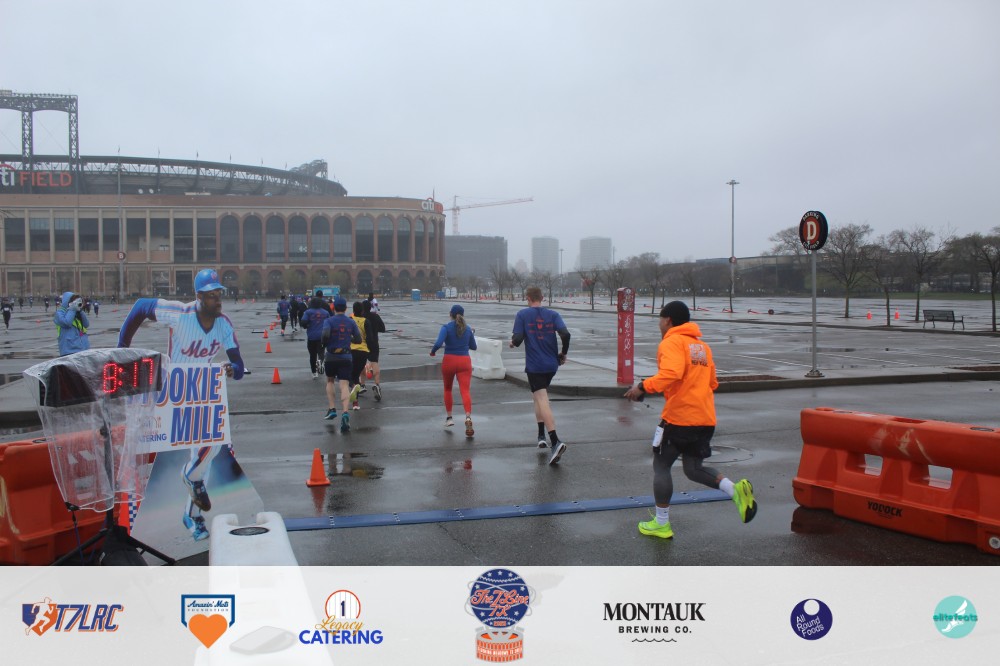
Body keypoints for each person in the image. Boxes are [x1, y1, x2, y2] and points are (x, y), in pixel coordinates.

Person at [118, 268, 247, 542]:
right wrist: (122, 346)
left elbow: (239, 364)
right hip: (173, 390)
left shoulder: (223, 324)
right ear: (198, 296)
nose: (217, 299)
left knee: (210, 450)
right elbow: (141, 307)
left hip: (201, 391)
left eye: (219, 294)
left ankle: (191, 511)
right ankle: (182, 493)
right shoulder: (179, 313)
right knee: (196, 451)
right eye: (211, 295)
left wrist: (232, 369)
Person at [624, 300, 757, 540]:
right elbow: (712, 382)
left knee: (661, 466)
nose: (659, 324)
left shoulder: (671, 342)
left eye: (660, 320)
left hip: (678, 418)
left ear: (668, 320)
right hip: (705, 418)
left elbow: (671, 373)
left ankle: (661, 524)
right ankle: (734, 489)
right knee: (693, 469)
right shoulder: (702, 347)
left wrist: (642, 386)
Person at [510, 286, 570, 465]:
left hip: (535, 366)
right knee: (537, 396)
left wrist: (512, 343)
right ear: (542, 298)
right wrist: (563, 353)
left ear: (527, 298)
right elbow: (565, 334)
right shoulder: (553, 314)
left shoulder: (522, 314)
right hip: (552, 365)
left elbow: (518, 339)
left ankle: (555, 441)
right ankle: (541, 435)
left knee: (542, 399)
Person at [431, 304, 477, 437]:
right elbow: (473, 346)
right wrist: (471, 334)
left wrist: (433, 352)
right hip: (464, 361)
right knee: (465, 391)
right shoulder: (467, 329)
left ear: (450, 314)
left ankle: (449, 418)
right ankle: (468, 417)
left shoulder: (446, 327)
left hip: (449, 360)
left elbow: (438, 343)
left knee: (447, 389)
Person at [321, 296, 362, 432]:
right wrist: (349, 338)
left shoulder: (328, 321)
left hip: (331, 356)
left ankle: (332, 408)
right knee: (344, 384)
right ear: (345, 308)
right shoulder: (351, 322)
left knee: (330, 381)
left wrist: (325, 343)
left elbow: (325, 335)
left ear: (334, 308)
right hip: (346, 356)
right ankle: (345, 412)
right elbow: (358, 339)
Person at [300, 293, 331, 378]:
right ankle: (320, 361)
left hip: (312, 336)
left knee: (312, 354)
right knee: (321, 352)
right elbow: (330, 323)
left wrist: (307, 326)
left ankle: (314, 372)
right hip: (322, 336)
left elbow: (303, 322)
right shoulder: (325, 312)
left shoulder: (308, 312)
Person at [362, 299, 386, 401]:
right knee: (374, 362)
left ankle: (362, 384)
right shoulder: (375, 316)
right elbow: (383, 328)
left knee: (361, 363)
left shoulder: (360, 317)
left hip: (362, 343)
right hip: (374, 342)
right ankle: (377, 384)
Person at [348, 301, 369, 410]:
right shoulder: (366, 321)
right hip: (363, 351)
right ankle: (355, 403)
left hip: (351, 350)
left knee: (348, 376)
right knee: (356, 375)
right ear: (362, 311)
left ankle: (353, 388)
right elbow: (370, 338)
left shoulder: (350, 320)